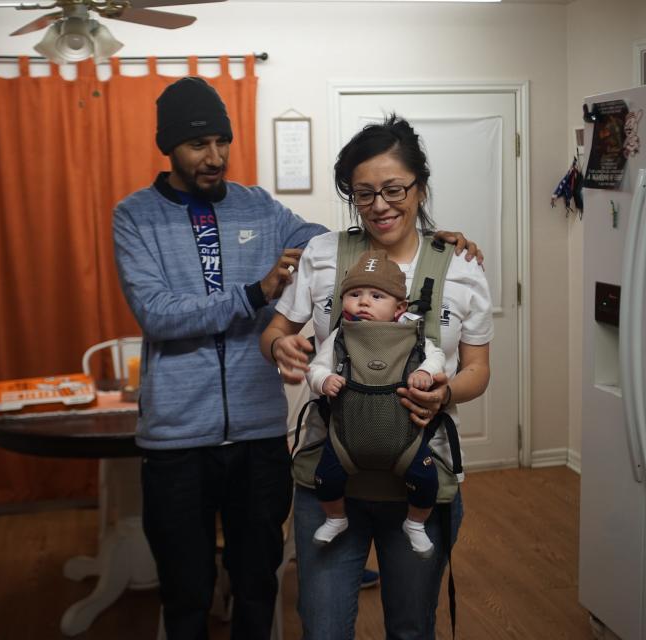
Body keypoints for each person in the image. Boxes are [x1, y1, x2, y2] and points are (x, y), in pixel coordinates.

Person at [113, 79, 480, 639]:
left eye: (221, 141)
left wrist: (435, 238)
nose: (213, 157)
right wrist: (259, 298)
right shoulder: (135, 216)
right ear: (167, 147)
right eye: (197, 145)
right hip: (178, 434)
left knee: (259, 583)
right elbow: (159, 314)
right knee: (187, 591)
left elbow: (339, 242)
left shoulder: (258, 206)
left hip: (261, 435)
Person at [260, 114, 493, 639]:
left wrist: (445, 393)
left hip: (422, 479)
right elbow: (276, 329)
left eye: (393, 189)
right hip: (328, 477)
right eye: (363, 194)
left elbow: (478, 370)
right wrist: (282, 345)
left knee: (411, 627)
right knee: (322, 628)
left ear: (420, 186)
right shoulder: (322, 255)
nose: (380, 206)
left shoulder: (460, 266)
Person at [306, 250, 445, 558]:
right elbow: (315, 367)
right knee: (326, 479)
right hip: (345, 439)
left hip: (405, 440)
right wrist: (323, 381)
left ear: (400, 307)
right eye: (354, 294)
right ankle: (335, 517)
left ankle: (415, 524)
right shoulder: (340, 337)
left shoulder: (412, 334)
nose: (364, 302)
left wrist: (425, 371)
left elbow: (437, 357)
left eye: (376, 296)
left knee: (425, 481)